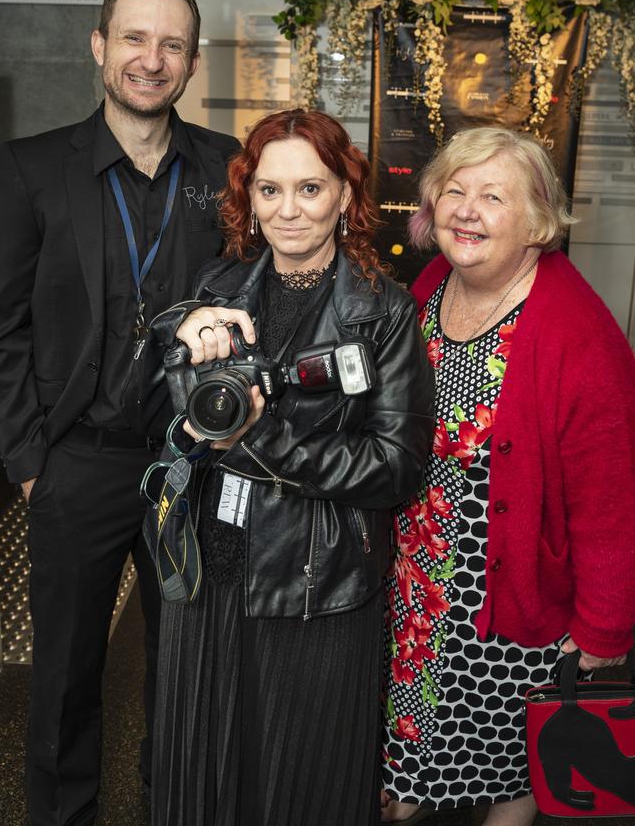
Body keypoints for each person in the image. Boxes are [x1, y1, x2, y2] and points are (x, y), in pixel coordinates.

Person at [0, 0, 239, 826]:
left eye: (171, 44)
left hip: (190, 464)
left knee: (187, 669)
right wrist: (27, 464)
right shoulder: (29, 169)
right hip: (75, 465)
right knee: (63, 679)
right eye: (133, 38)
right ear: (100, 46)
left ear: (192, 62)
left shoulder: (227, 171)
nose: (150, 58)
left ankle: (175, 807)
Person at [148, 108, 434, 826]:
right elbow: (149, 396)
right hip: (207, 574)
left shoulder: (384, 314)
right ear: (249, 198)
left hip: (316, 585)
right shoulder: (217, 285)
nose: (288, 210)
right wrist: (175, 329)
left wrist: (264, 440)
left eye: (310, 188)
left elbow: (395, 467)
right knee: (199, 772)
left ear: (345, 195)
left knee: (298, 781)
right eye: (269, 191)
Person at [381, 126, 635, 826]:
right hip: (419, 579)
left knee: (508, 768)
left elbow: (611, 502)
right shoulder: (432, 285)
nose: (467, 209)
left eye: (493, 196)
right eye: (455, 190)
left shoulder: (579, 336)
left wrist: (605, 626)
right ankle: (413, 791)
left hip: (508, 590)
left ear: (538, 220)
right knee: (418, 716)